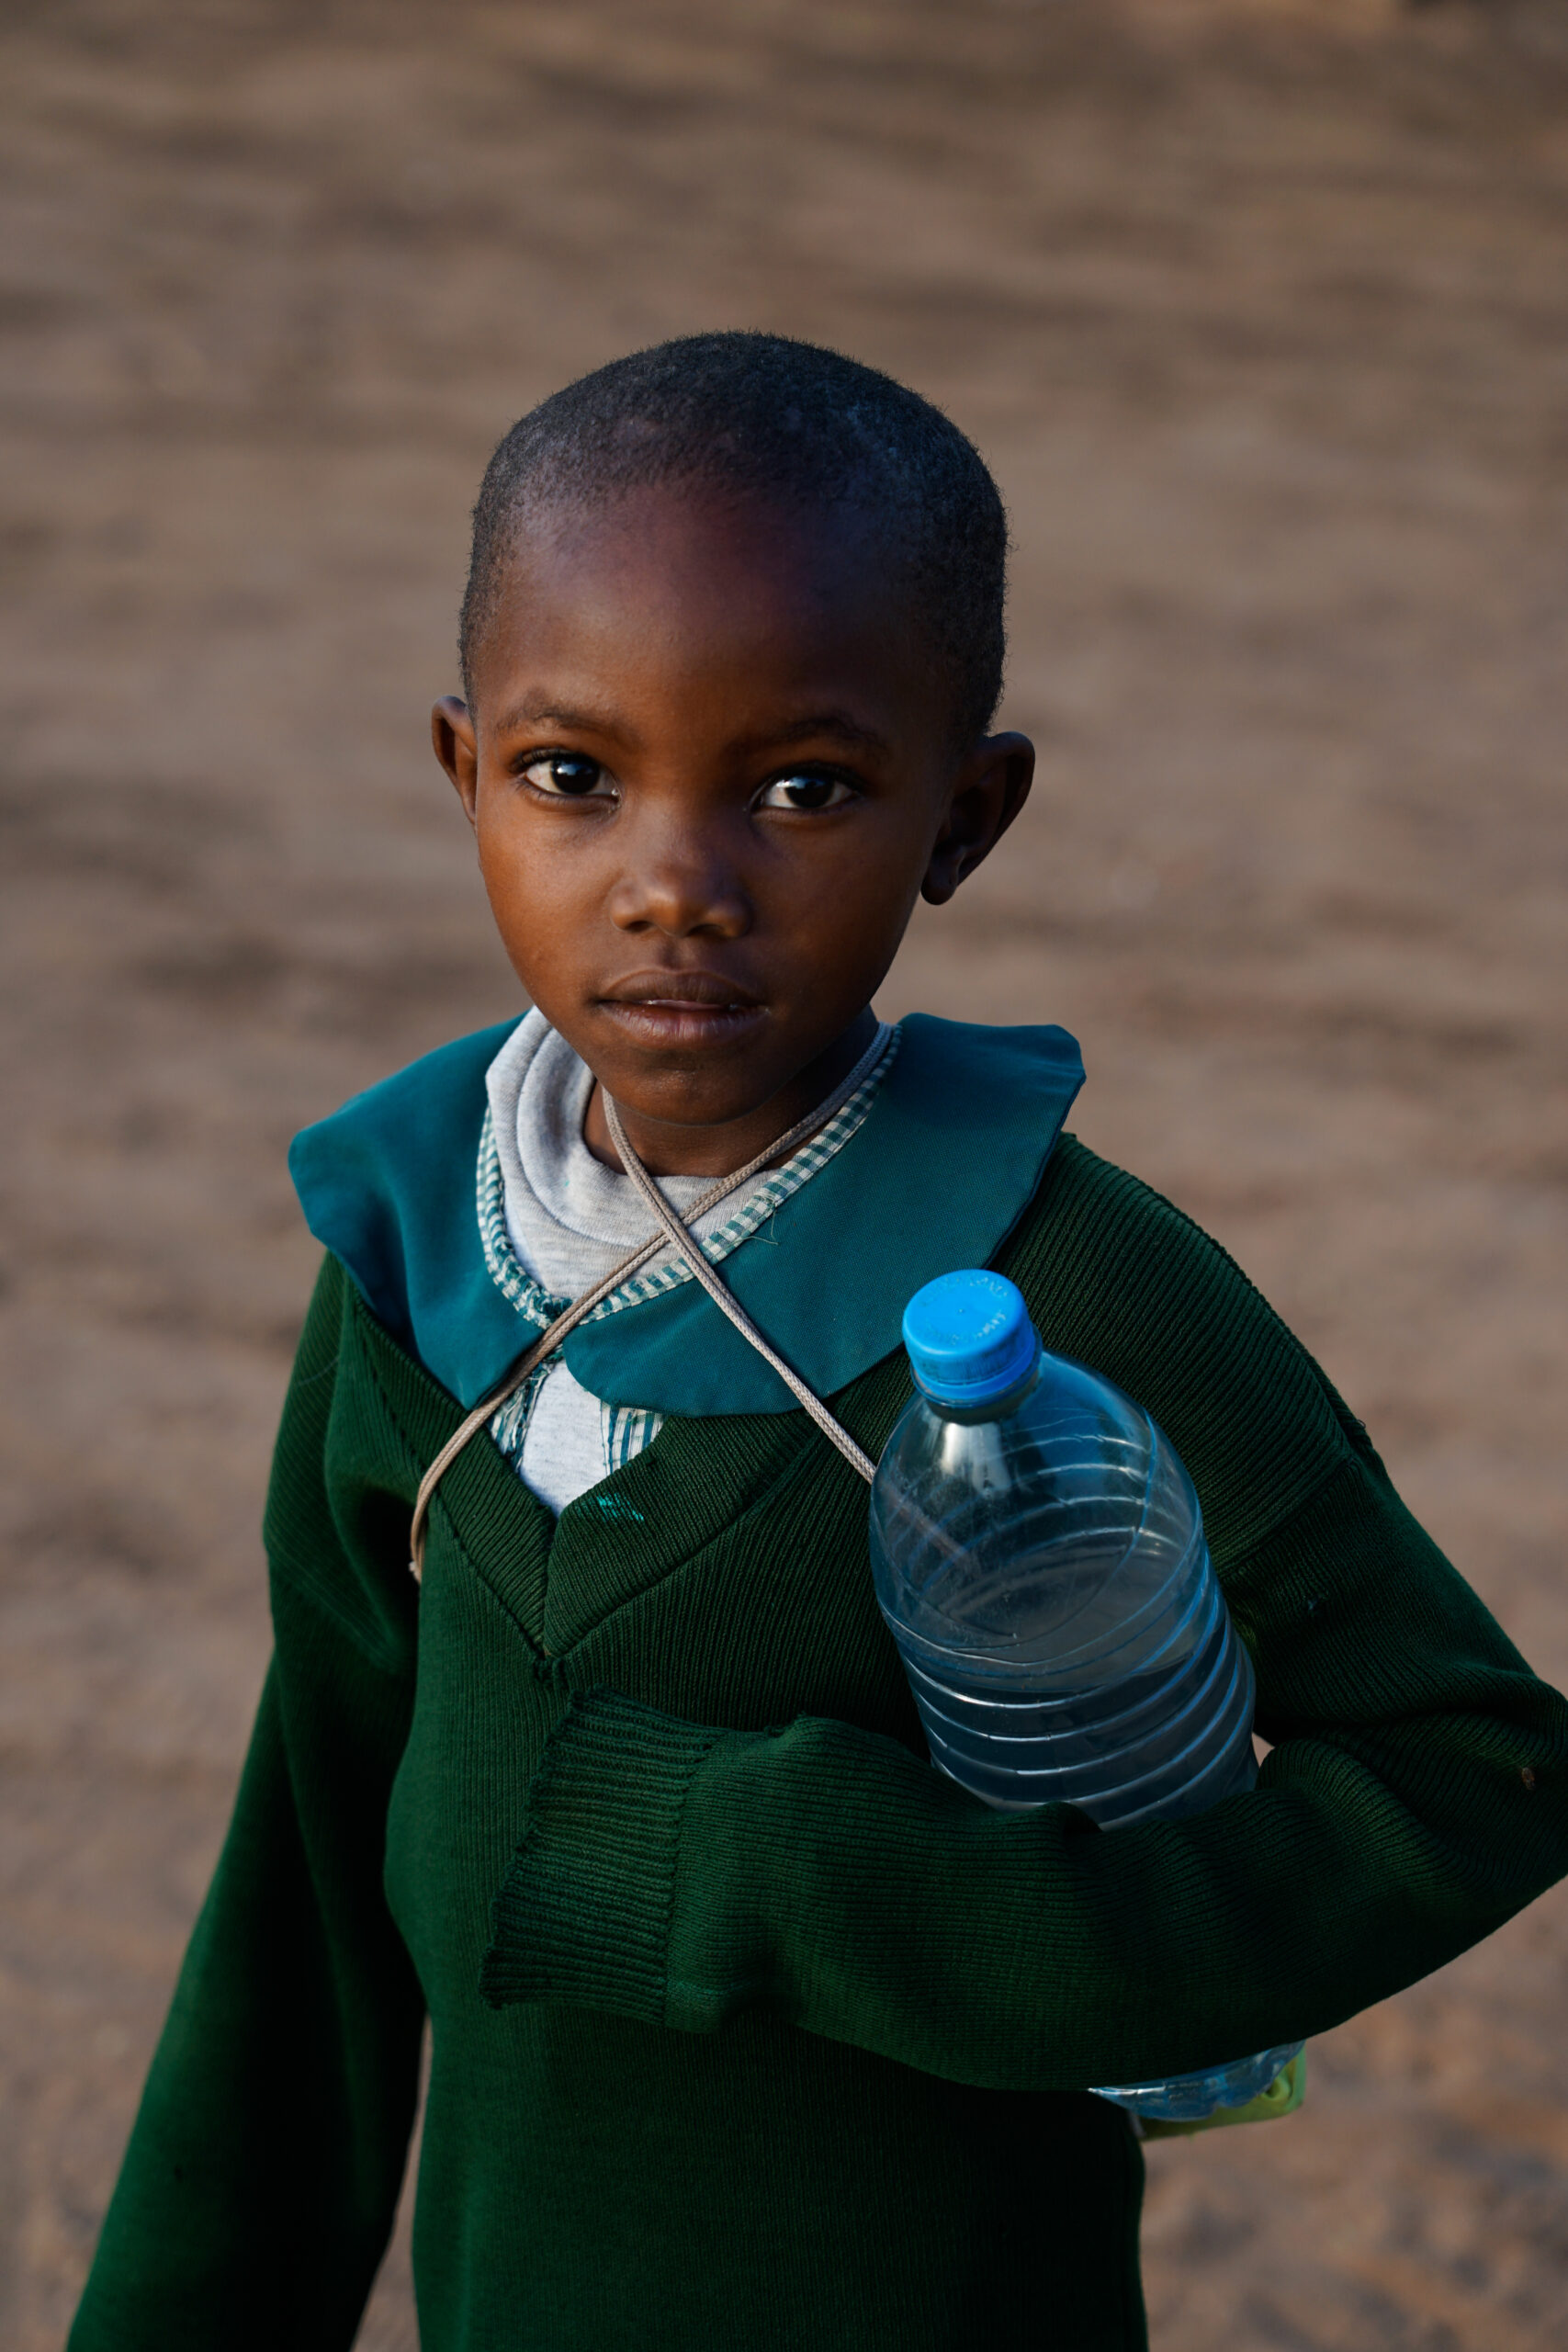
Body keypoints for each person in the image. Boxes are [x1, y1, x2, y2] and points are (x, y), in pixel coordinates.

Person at [69, 334, 1568, 2352]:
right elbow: (311, 1905)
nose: (674, 882)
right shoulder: (413, 1244)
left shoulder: (1067, 1286)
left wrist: (791, 1867)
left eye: (801, 785)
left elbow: (1472, 1768)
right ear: (461, 775)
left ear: (964, 813)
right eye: (570, 776)